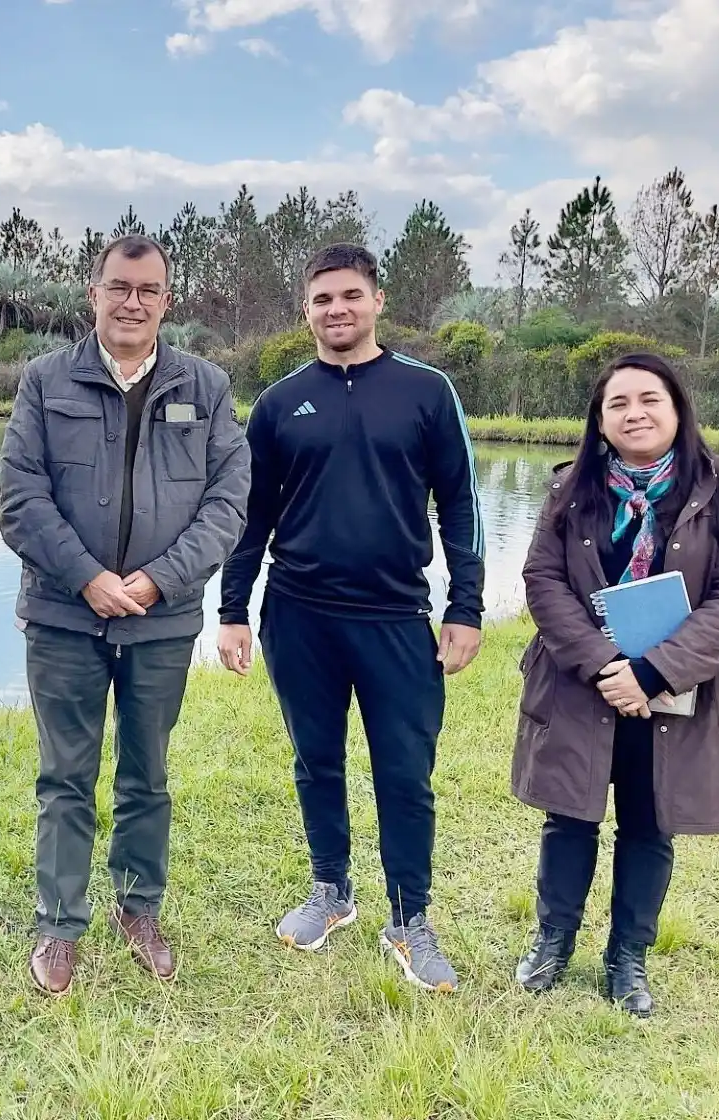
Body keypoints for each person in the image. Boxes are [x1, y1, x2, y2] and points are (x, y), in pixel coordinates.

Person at [217, 243, 484, 993]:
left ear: (376, 301)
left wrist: (464, 607)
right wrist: (231, 610)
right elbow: (250, 517)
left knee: (405, 774)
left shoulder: (426, 391)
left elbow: (461, 503)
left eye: (349, 296)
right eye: (321, 300)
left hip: (395, 616)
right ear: (305, 311)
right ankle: (330, 892)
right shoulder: (277, 403)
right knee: (316, 761)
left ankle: (409, 919)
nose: (336, 310)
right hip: (298, 615)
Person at [0, 234, 250, 995]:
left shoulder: (205, 387)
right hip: (63, 616)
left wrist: (154, 581)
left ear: (166, 299)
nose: (131, 302)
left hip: (161, 620)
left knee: (147, 773)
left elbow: (227, 502)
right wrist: (86, 579)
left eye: (147, 289)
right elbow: (19, 499)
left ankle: (138, 908)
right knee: (64, 777)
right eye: (118, 287)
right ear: (93, 293)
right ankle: (58, 925)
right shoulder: (44, 382)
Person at [512, 353, 719, 1018]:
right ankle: (552, 939)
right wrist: (602, 665)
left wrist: (651, 672)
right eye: (617, 403)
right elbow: (542, 579)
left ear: (676, 408)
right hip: (580, 682)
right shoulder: (569, 487)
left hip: (673, 689)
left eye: (647, 399)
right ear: (599, 421)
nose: (634, 413)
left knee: (649, 823)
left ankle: (626, 957)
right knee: (568, 815)